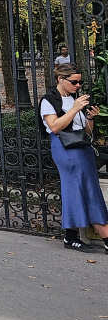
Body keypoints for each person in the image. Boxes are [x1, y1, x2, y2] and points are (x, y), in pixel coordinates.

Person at [40, 64, 108, 253]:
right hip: (65, 149)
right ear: (61, 79)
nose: (78, 85)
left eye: (79, 82)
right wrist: (74, 108)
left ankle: (71, 236)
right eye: (74, 82)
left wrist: (90, 118)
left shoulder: (73, 98)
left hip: (81, 147)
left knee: (79, 188)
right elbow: (54, 126)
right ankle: (104, 237)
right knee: (83, 188)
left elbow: (86, 131)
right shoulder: (49, 100)